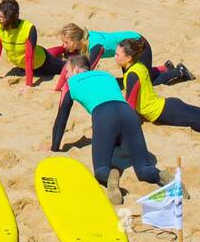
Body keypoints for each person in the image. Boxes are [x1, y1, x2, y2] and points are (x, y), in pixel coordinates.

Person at [51, 54, 173, 204]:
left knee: (101, 169)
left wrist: (54, 148)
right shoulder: (106, 75)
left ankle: (111, 175)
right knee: (143, 169)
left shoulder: (71, 83)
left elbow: (61, 119)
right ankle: (160, 174)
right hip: (128, 113)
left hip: (103, 115)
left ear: (75, 69)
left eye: (67, 72)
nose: (66, 76)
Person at [53, 24, 190, 90]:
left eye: (66, 42)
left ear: (76, 40)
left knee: (147, 82)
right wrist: (58, 88)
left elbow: (87, 73)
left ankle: (179, 71)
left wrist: (70, 87)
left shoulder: (95, 46)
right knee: (128, 80)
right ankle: (165, 68)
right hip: (127, 51)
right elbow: (68, 66)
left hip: (138, 44)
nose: (64, 46)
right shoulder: (82, 43)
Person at [0, 0, 63, 87]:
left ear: (12, 17)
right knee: (49, 52)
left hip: (42, 63)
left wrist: (28, 84)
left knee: (64, 66)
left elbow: (29, 58)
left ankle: (69, 49)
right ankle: (64, 47)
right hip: (26, 63)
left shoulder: (29, 29)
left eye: (3, 18)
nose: (0, 20)